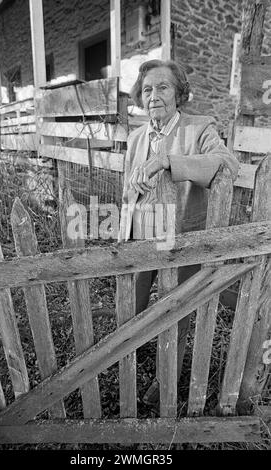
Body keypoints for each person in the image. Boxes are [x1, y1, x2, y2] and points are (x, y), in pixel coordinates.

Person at [118, 59, 239, 411]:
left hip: (182, 239)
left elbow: (227, 163)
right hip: (141, 235)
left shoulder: (199, 128)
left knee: (176, 309)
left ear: (179, 93)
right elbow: (128, 189)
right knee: (134, 303)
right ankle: (133, 355)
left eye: (163, 87)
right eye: (147, 89)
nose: (154, 95)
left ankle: (165, 375)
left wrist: (170, 160)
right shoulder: (137, 136)